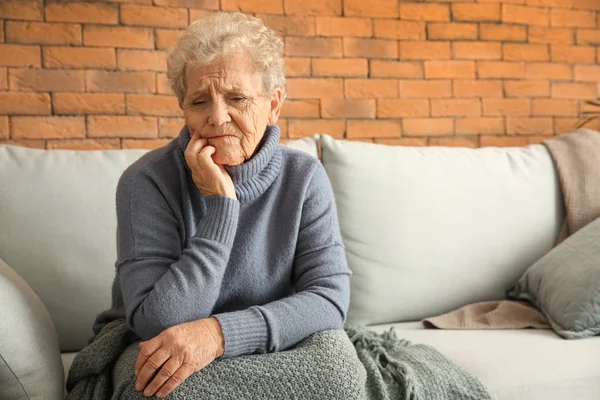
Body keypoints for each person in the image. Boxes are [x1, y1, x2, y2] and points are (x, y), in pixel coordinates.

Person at [92, 12, 351, 398]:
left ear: (273, 104)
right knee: (166, 388)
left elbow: (329, 298)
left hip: (265, 342)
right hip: (164, 344)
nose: (217, 117)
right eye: (199, 101)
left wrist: (219, 334)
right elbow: (159, 322)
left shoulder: (305, 177)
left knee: (340, 372)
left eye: (237, 98)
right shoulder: (145, 181)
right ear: (183, 108)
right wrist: (222, 207)